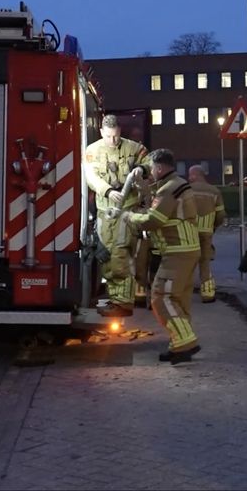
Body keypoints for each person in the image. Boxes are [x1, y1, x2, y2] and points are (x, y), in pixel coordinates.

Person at [122, 149, 201, 364]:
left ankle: (185, 342)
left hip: (178, 252)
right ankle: (179, 344)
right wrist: (146, 191)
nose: (149, 172)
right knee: (178, 299)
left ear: (158, 167)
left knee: (160, 296)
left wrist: (128, 216)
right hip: (185, 250)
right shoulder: (175, 185)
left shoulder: (169, 189)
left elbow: (153, 220)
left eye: (150, 168)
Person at [84, 114, 150, 317]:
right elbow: (91, 176)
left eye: (116, 136)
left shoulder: (134, 148)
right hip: (106, 210)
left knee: (120, 252)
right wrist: (106, 190)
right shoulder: (93, 151)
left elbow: (149, 162)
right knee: (105, 255)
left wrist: (141, 169)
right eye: (109, 136)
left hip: (127, 209)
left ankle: (123, 302)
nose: (113, 141)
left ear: (120, 131)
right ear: (102, 132)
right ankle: (115, 299)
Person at [188, 164, 226, 302]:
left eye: (190, 175)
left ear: (195, 175)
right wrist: (213, 226)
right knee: (205, 262)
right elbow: (221, 214)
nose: (188, 178)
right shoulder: (214, 191)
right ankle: (208, 293)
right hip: (207, 232)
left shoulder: (187, 190)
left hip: (190, 232)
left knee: (188, 262)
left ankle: (185, 294)